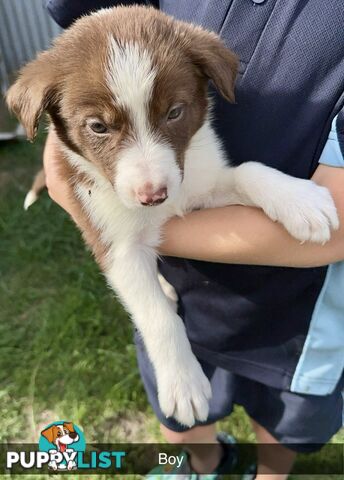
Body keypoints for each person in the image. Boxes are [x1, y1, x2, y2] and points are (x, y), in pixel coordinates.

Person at [42, 1, 344, 478]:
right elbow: (123, 251)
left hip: (295, 318)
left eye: (173, 113)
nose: (150, 182)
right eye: (101, 127)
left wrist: (251, 184)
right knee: (181, 414)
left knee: (287, 424)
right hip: (183, 305)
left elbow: (220, 188)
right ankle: (202, 467)